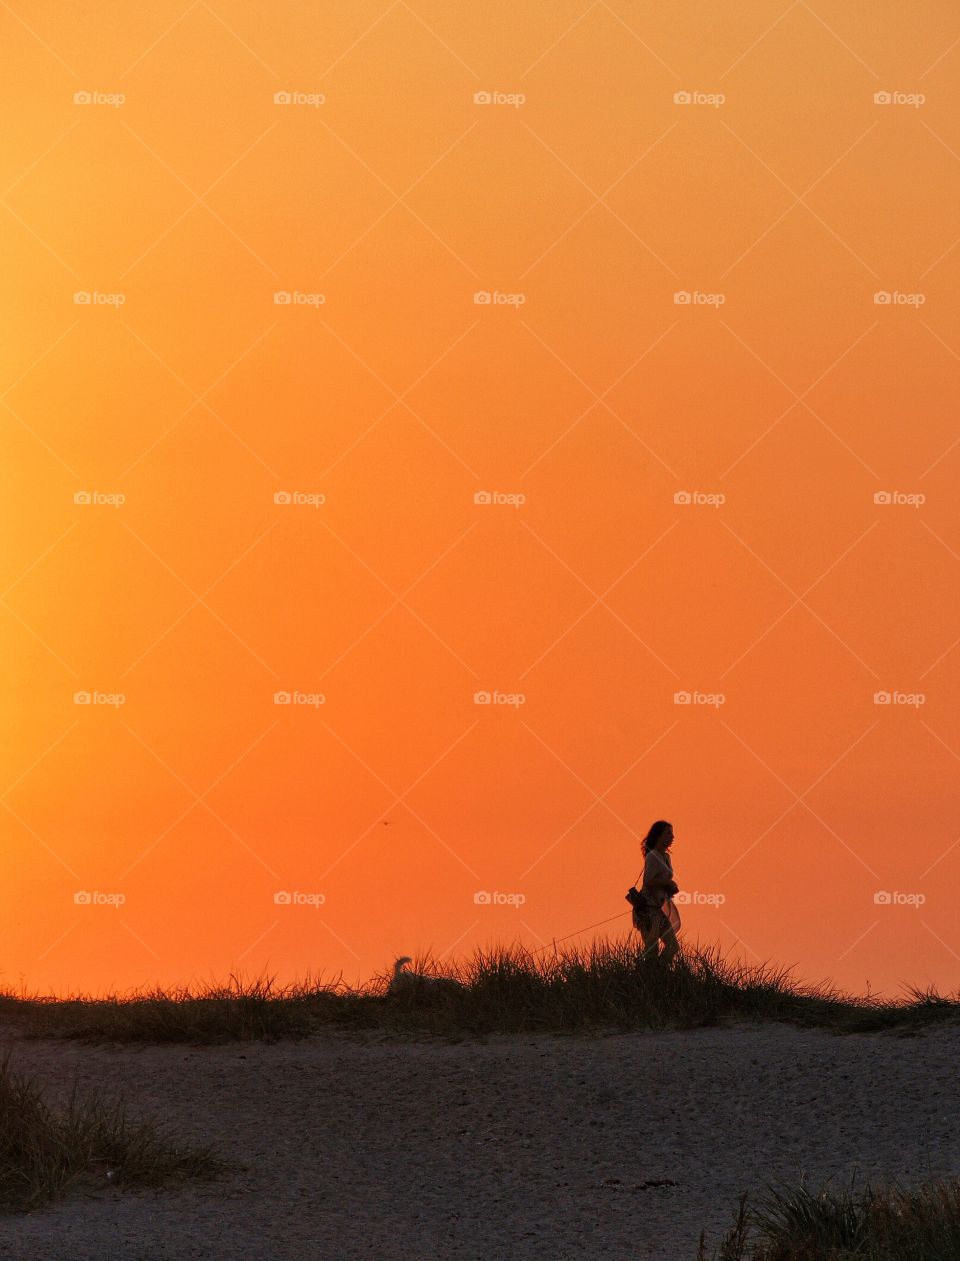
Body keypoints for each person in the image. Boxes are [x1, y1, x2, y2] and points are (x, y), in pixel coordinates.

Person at [625, 819, 681, 963]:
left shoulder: (666, 856)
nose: (672, 837)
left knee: (673, 946)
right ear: (659, 835)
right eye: (668, 833)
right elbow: (648, 881)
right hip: (648, 909)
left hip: (660, 907)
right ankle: (648, 974)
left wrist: (669, 888)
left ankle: (659, 971)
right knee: (652, 948)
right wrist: (667, 883)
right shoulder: (653, 856)